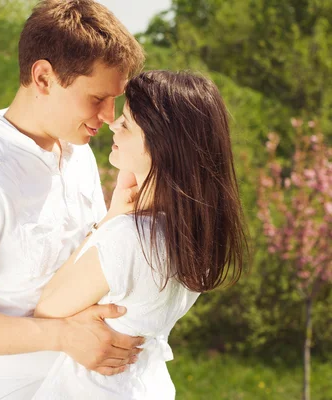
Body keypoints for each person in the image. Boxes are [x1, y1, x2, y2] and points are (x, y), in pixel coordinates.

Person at [0, 1, 146, 398]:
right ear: (43, 78)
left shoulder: (78, 154)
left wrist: (116, 218)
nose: (109, 116)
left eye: (114, 100)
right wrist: (63, 336)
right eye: (96, 98)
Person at [32, 70, 249, 399]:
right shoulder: (192, 236)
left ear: (161, 147)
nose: (113, 125)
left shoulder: (130, 237)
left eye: (127, 124)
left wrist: (112, 216)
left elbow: (47, 308)